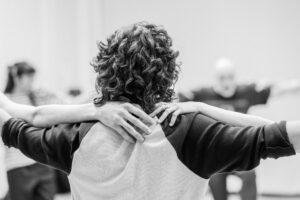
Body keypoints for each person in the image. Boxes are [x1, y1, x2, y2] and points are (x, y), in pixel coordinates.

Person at [0, 22, 300, 200]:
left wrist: (92, 110)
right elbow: (279, 133)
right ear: (169, 74)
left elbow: (14, 123)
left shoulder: (73, 138)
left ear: (104, 74)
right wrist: (201, 108)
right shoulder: (195, 130)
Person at [0, 62, 153, 200]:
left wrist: (96, 102)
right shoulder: (8, 98)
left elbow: (64, 105)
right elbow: (34, 116)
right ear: (17, 77)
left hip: (39, 163)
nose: (32, 82)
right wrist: (97, 108)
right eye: (29, 77)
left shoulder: (37, 96)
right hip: (18, 164)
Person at [178, 58, 300, 200]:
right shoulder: (201, 95)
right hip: (215, 154)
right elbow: (174, 98)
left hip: (240, 151)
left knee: (249, 174)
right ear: (215, 79)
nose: (227, 82)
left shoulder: (246, 92)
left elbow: (279, 89)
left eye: (230, 77)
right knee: (214, 179)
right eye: (222, 78)